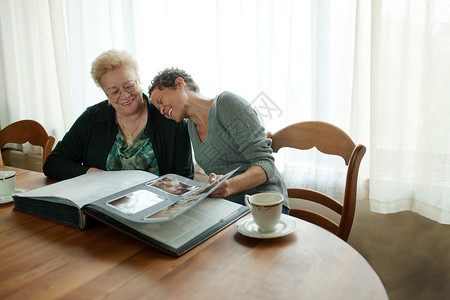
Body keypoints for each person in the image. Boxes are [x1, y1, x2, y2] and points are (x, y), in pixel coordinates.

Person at [148, 68, 289, 213]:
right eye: (158, 109)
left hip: (264, 201)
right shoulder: (190, 127)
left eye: (160, 101)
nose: (162, 111)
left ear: (179, 84)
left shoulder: (226, 104)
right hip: (230, 205)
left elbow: (266, 163)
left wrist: (230, 185)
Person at [44, 50, 194, 180]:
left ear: (139, 80)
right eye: (114, 92)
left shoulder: (170, 119)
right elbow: (53, 163)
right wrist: (92, 173)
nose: (124, 95)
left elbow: (184, 179)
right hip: (100, 209)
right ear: (105, 93)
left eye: (129, 86)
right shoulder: (93, 118)